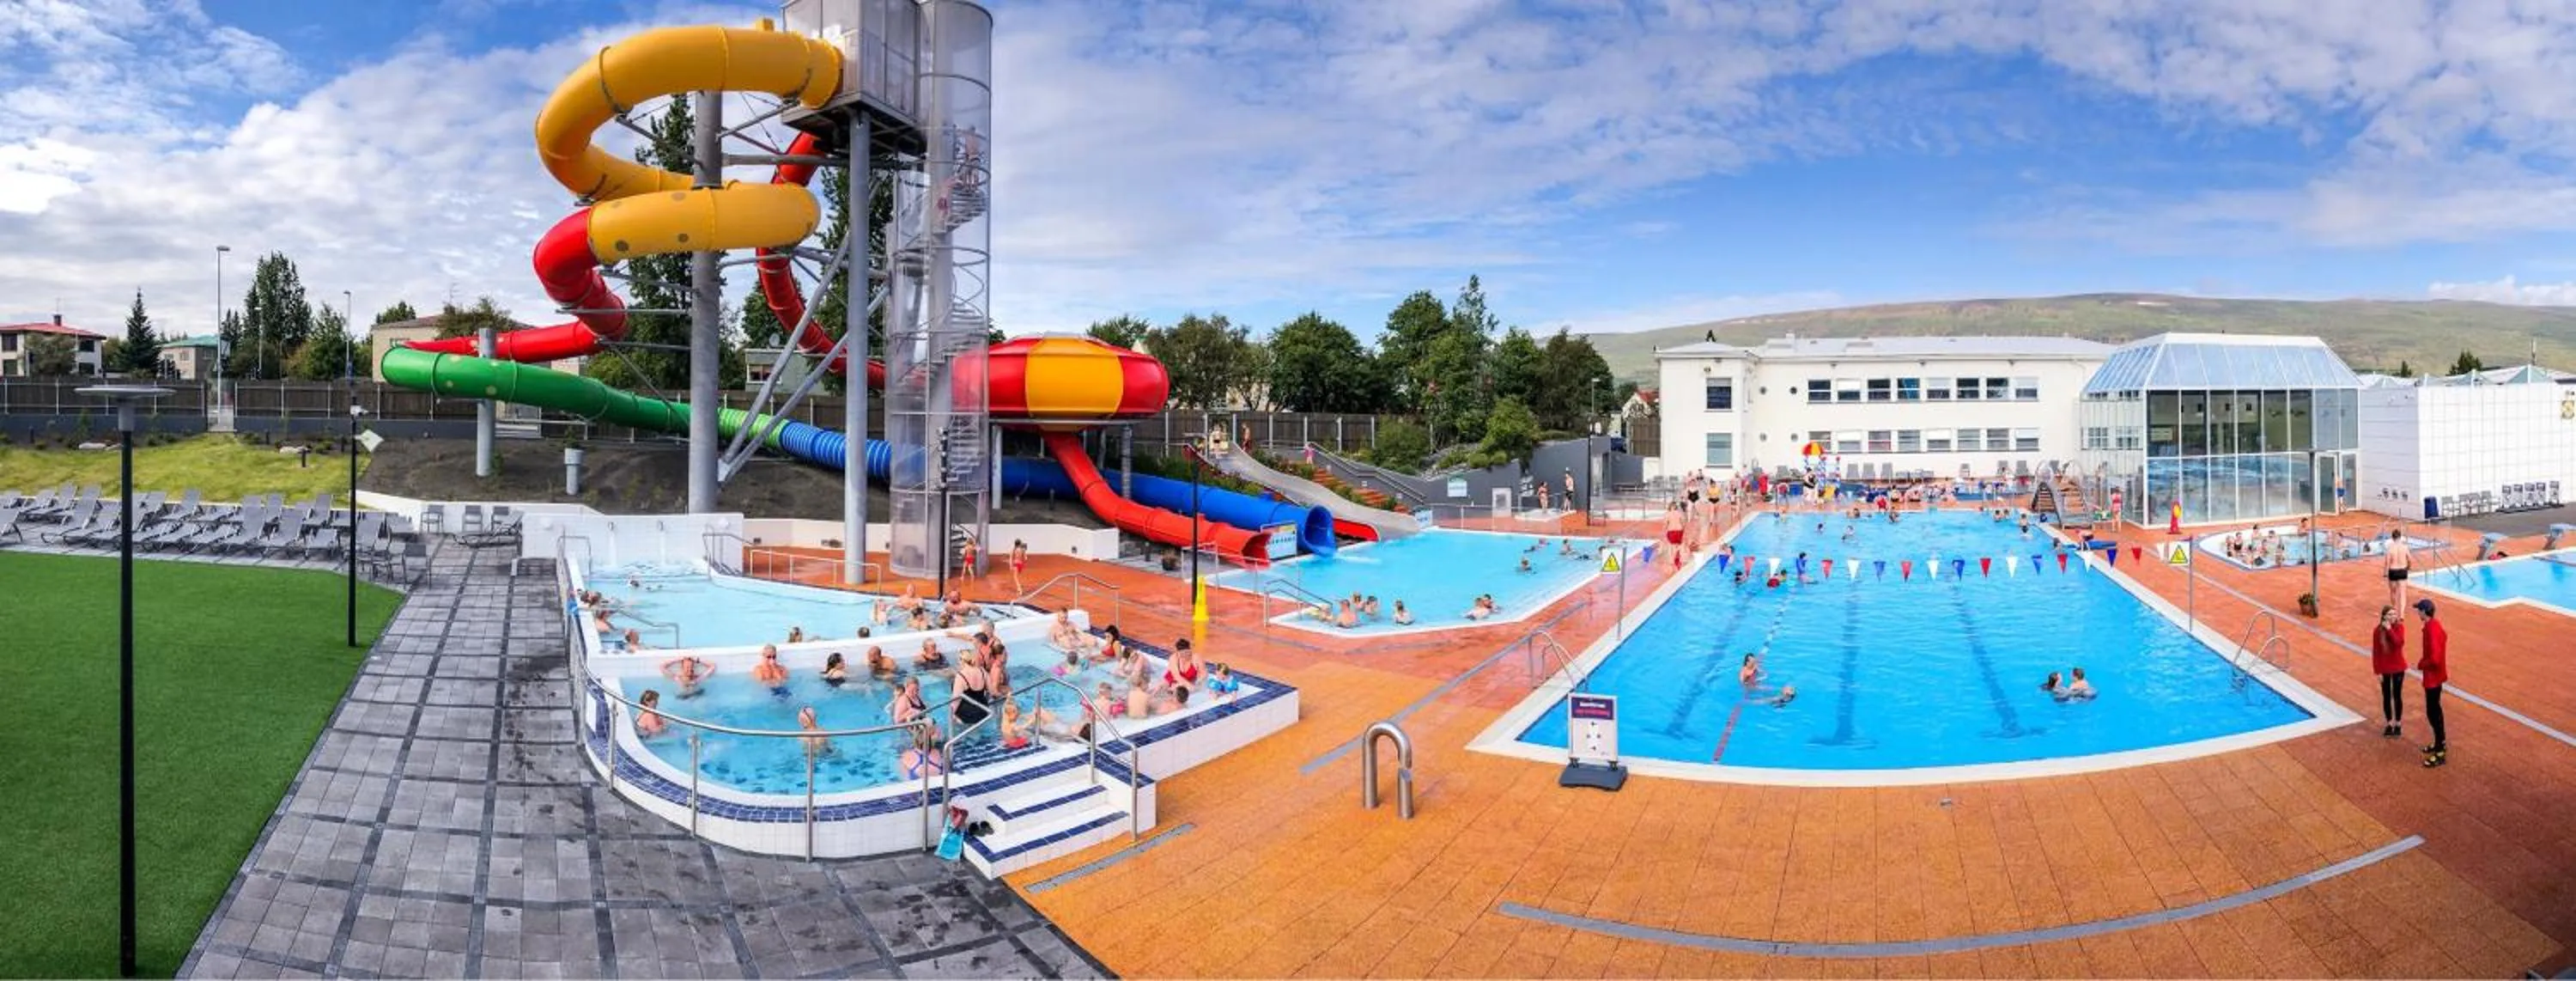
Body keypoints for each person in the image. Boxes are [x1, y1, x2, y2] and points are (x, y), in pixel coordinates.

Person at [2415, 599, 2449, 767]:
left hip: (2432, 678)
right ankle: (2439, 744)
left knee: (2433, 713)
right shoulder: (2434, 625)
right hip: (2436, 676)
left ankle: (2440, 751)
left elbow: (2434, 658)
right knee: (2435, 711)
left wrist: (2422, 664)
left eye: (2419, 610)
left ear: (2424, 611)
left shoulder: (2431, 628)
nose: (2417, 613)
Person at [2371, 605, 2408, 739]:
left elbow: (2399, 643)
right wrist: (2378, 671)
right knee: (2386, 696)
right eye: (2390, 614)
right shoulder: (2377, 631)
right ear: (2384, 617)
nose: (2393, 617)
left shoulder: (2399, 628)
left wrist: (2389, 630)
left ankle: (2398, 723)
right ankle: (2389, 723)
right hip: (2384, 668)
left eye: (2394, 614)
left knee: (2397, 695)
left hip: (2398, 667)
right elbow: (2376, 652)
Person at [2383, 531, 2415, 608]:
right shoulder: (2405, 547)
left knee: (2393, 592)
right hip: (2403, 571)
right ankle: (2401, 612)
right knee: (2402, 593)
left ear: (2392, 538)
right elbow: (2410, 559)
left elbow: (2387, 563)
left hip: (2393, 571)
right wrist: (2409, 567)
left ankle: (2394, 607)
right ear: (2400, 537)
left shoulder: (2390, 549)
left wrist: (2385, 574)